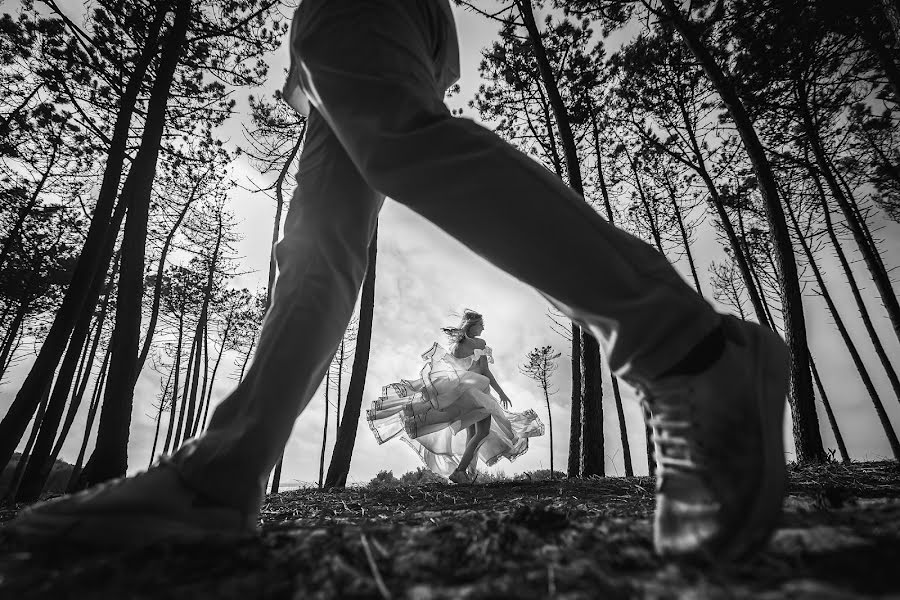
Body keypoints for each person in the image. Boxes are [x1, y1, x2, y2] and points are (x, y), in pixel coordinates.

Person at [6, 0, 789, 561]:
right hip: (330, 42)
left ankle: (684, 347)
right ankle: (219, 477)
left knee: (401, 146)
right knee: (317, 249)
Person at [367, 310, 544, 484]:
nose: (483, 329)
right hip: (478, 394)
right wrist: (501, 392)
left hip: (463, 394)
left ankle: (467, 473)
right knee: (481, 432)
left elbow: (456, 373)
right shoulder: (480, 343)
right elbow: (484, 370)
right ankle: (461, 471)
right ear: (472, 326)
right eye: (481, 325)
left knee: (473, 433)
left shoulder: (457, 346)